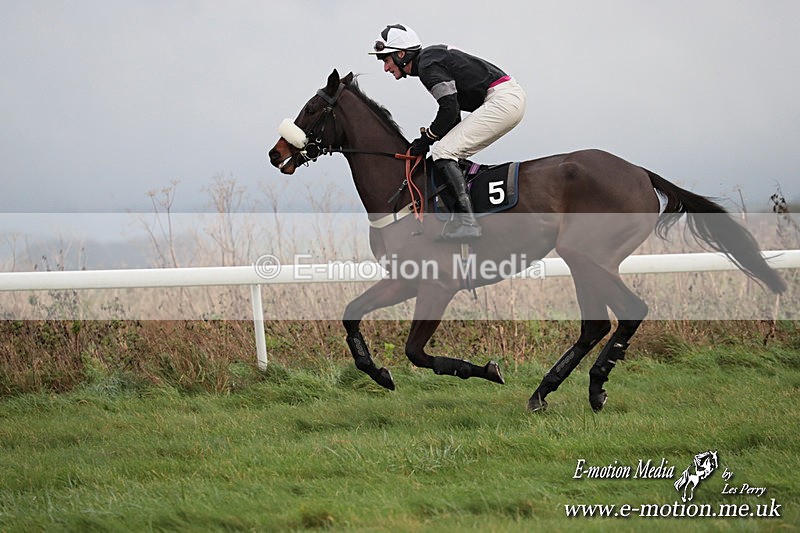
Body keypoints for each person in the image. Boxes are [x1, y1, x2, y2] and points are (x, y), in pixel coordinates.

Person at [369, 24, 526, 240]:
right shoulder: (429, 59)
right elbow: (453, 115)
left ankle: (468, 223)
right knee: (448, 149)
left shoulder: (427, 66)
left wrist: (426, 139)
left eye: (386, 60)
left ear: (401, 54)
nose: (386, 68)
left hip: (502, 100)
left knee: (443, 151)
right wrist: (428, 138)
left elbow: (449, 107)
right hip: (505, 98)